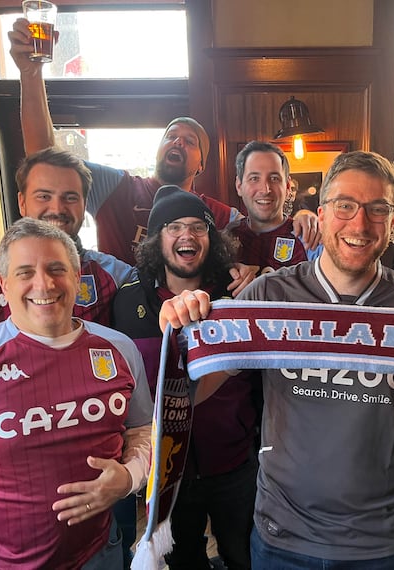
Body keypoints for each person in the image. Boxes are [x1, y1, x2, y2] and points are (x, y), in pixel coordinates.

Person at [160, 150, 394, 568]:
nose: (360, 222)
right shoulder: (269, 296)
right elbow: (193, 391)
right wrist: (181, 329)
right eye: (345, 205)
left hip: (383, 542)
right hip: (284, 538)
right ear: (322, 213)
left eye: (378, 209)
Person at [0, 217, 153, 569]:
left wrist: (130, 477)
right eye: (25, 272)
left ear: (75, 276)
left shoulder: (120, 350)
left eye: (57, 268)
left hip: (100, 553)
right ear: (4, 284)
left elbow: (143, 429)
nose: (44, 283)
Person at [7, 19, 321, 266]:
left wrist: (301, 219)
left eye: (189, 141)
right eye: (171, 136)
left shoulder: (218, 215)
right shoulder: (117, 188)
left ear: (201, 164)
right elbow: (44, 161)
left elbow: (264, 223)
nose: (178, 142)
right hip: (124, 319)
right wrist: (31, 73)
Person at [112, 186, 259, 570]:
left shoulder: (235, 293)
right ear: (156, 238)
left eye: (198, 227)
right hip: (167, 472)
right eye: (173, 226)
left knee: (244, 555)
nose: (187, 235)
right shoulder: (127, 300)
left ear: (213, 239)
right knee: (184, 563)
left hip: (234, 462)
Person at [0, 146, 135, 356]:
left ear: (85, 205)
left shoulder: (117, 275)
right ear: (22, 202)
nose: (57, 208)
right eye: (44, 196)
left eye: (70, 197)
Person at [227, 140, 322, 274]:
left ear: (288, 186)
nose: (265, 189)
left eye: (274, 178)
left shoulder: (308, 238)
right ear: (239, 186)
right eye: (254, 178)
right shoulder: (228, 236)